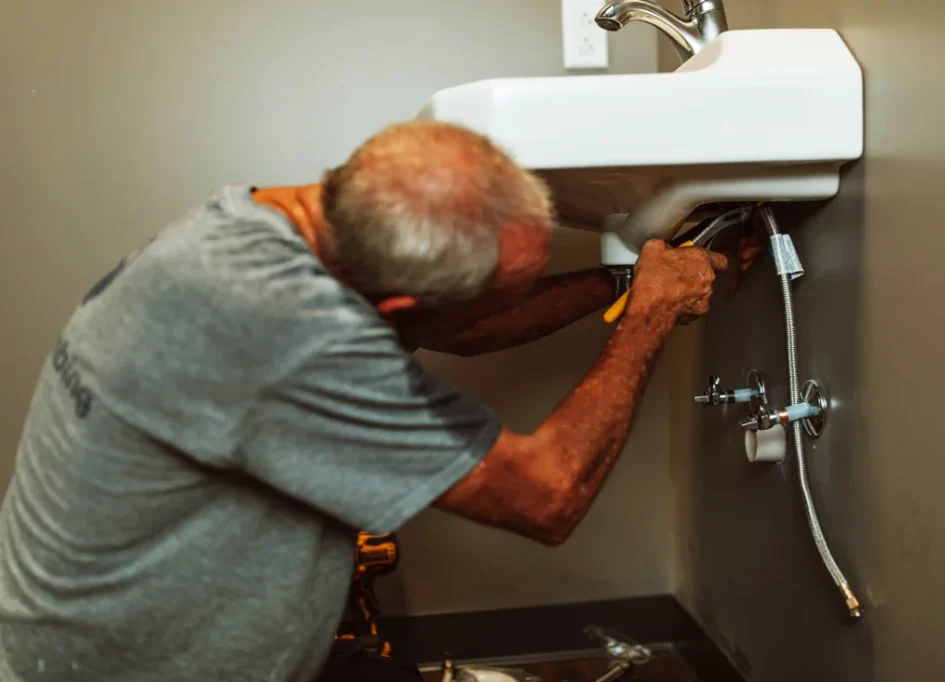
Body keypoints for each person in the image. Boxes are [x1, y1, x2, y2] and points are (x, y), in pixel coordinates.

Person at [0, 121, 730, 682]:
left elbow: (463, 325)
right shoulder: (287, 331)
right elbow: (546, 495)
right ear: (399, 302)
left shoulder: (256, 227)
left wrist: (627, 283)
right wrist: (650, 320)